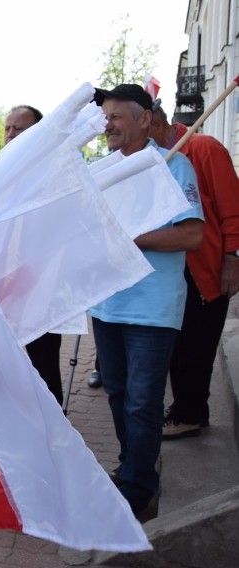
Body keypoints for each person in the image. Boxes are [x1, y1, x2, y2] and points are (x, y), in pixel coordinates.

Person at [89, 84, 203, 520]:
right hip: (106, 305)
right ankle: (131, 466)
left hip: (151, 309)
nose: (108, 124)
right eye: (106, 117)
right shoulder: (100, 170)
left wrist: (133, 238)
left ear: (144, 119)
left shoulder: (173, 167)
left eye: (118, 116)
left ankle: (139, 487)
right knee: (119, 394)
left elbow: (192, 234)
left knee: (143, 400)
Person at [149, 100, 239, 439]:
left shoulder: (203, 148)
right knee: (177, 344)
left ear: (153, 122)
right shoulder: (153, 157)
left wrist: (233, 257)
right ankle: (185, 409)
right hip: (173, 270)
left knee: (195, 346)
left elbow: (233, 208)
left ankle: (190, 414)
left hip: (204, 268)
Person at [2, 105, 63, 404]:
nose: (11, 135)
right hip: (1, 286)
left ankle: (55, 436)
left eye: (19, 129)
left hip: (39, 289)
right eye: (8, 128)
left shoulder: (52, 175)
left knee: (44, 367)